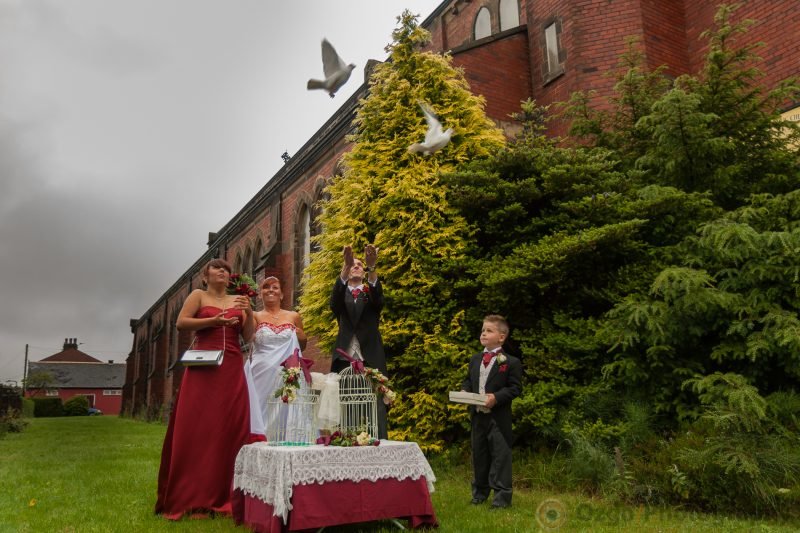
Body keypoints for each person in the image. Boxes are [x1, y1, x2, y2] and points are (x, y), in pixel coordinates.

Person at [155, 258, 263, 520]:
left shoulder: (238, 299)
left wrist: (248, 312)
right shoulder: (198, 295)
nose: (223, 272)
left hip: (232, 367)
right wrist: (213, 321)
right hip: (203, 367)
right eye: (217, 268)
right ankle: (195, 499)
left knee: (230, 429)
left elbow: (248, 336)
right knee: (198, 429)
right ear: (206, 276)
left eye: (226, 269)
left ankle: (227, 495)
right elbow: (182, 323)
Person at [461, 314, 522, 509]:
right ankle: (479, 494)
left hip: (498, 419)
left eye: (489, 330)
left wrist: (496, 398)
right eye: (482, 330)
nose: (483, 333)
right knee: (479, 456)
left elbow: (514, 388)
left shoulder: (510, 362)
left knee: (500, 458)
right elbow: (468, 380)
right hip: (478, 417)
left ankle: (502, 499)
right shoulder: (475, 359)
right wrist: (464, 391)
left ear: (501, 337)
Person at [329, 244, 388, 439]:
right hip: (344, 360)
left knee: (376, 409)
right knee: (345, 408)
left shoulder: (371, 292)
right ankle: (346, 447)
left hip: (371, 358)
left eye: (360, 264)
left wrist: (372, 267)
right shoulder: (341, 293)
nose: (356, 266)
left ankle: (379, 449)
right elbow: (334, 303)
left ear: (364, 272)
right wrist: (344, 269)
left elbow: (378, 300)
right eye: (352, 264)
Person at [249, 275, 314, 443]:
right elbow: (247, 338)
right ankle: (259, 442)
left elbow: (302, 346)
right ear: (260, 294)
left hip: (288, 373)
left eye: (275, 287)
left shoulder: (293, 316)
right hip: (261, 373)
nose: (271, 289)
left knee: (288, 409)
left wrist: (302, 336)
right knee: (261, 409)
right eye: (266, 287)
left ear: (282, 294)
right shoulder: (254, 315)